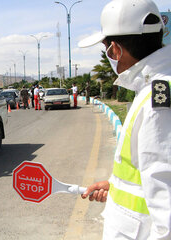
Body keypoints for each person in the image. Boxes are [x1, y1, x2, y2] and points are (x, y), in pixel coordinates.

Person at [78, 0, 171, 239]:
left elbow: (166, 199)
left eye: (106, 48)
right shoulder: (155, 88)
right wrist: (116, 186)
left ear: (115, 50)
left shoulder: (157, 100)